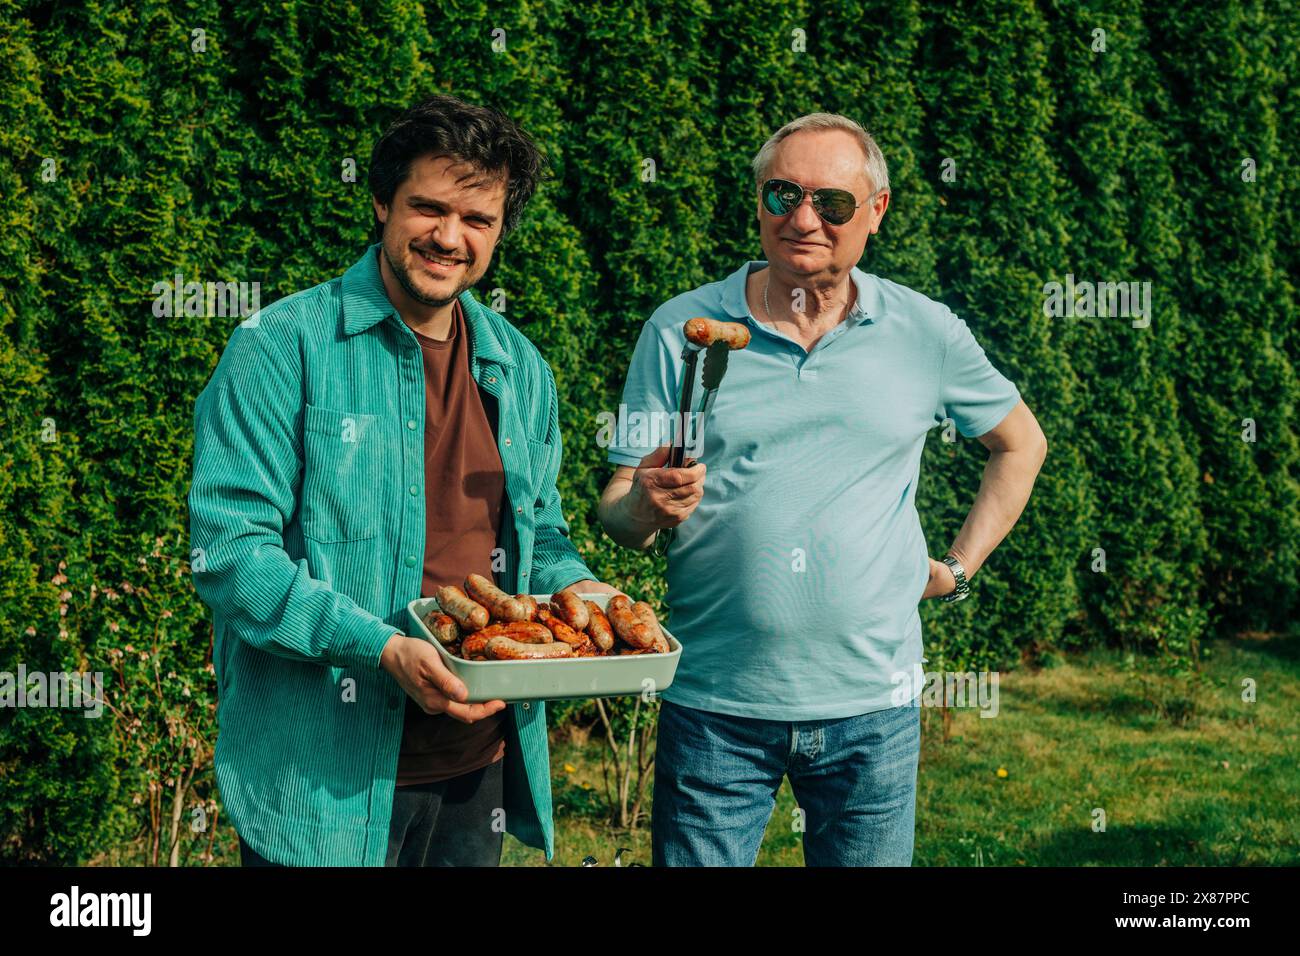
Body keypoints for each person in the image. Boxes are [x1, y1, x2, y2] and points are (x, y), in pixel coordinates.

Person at [598, 112, 1048, 866]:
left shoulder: (924, 331)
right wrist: (646, 503)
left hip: (872, 710)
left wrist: (960, 568)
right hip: (714, 704)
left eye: (832, 202)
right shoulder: (683, 329)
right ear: (759, 204)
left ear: (876, 211)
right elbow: (619, 514)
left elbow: (1020, 443)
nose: (803, 219)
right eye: (782, 195)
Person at [188, 94, 614, 866]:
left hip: (476, 767)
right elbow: (231, 555)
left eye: (477, 220)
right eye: (428, 208)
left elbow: (538, 536)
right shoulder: (281, 348)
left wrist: (588, 595)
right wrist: (381, 650)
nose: (449, 237)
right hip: (324, 775)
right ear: (383, 203)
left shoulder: (520, 369)